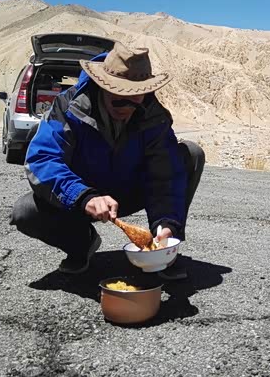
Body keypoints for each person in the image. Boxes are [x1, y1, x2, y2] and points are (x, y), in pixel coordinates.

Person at [10, 41, 205, 281]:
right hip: (80, 198)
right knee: (25, 212)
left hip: (129, 192)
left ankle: (162, 251)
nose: (127, 106)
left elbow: (165, 175)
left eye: (135, 98)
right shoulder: (68, 107)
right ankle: (81, 244)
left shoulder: (154, 116)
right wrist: (83, 196)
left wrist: (167, 223)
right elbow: (42, 158)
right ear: (102, 85)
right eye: (119, 98)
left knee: (190, 154)